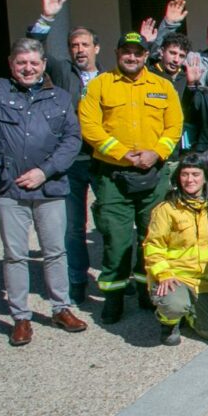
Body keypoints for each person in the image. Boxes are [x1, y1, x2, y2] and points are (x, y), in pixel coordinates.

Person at [79, 32, 184, 323]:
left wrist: (157, 153)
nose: (132, 57)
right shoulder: (100, 85)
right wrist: (123, 153)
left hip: (153, 172)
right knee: (117, 239)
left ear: (146, 55)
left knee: (150, 236)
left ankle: (145, 291)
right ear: (116, 53)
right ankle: (113, 297)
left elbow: (174, 126)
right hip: (113, 175)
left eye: (138, 53)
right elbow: (89, 125)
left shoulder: (162, 86)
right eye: (127, 52)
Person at [0, 38, 87, 345]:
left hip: (49, 186)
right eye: (22, 63)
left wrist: (43, 171)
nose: (28, 68)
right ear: (11, 64)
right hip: (9, 188)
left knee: (54, 250)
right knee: (15, 254)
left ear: (43, 65)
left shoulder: (59, 98)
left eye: (34, 63)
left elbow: (72, 140)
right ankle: (21, 317)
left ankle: (61, 308)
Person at [26, 0, 102, 303]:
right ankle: (76, 282)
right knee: (73, 228)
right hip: (69, 163)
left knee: (108, 224)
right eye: (74, 46)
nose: (79, 50)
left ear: (96, 48)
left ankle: (115, 283)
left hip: (101, 161)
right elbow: (34, 46)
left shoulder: (109, 79)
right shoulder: (61, 72)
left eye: (85, 44)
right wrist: (47, 17)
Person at [143, 154, 208, 345]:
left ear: (205, 177)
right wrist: (163, 273)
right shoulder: (167, 209)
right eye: (185, 174)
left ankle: (190, 314)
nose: (190, 180)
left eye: (195, 174)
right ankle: (169, 321)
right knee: (174, 305)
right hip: (175, 277)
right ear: (178, 177)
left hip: (205, 280)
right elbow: (153, 245)